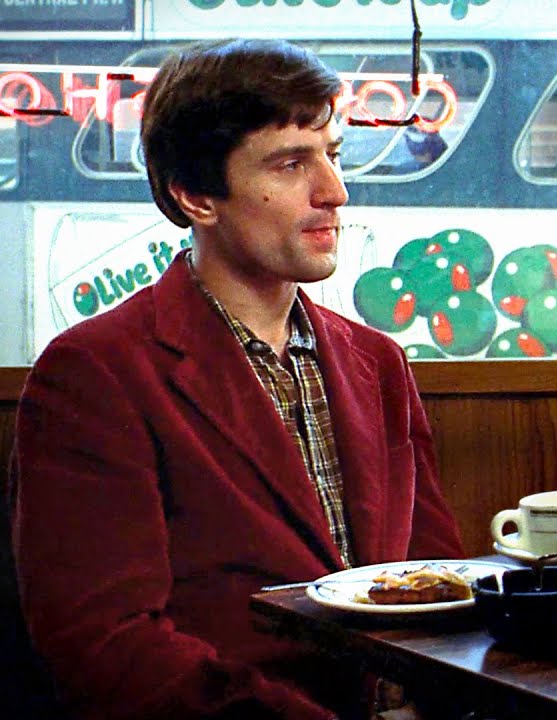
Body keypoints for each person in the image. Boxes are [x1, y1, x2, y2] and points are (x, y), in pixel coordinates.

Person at [7, 39, 463, 720]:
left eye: (333, 155)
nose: (334, 192)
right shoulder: (97, 373)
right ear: (195, 195)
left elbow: (437, 588)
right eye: (291, 163)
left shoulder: (379, 363)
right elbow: (106, 647)